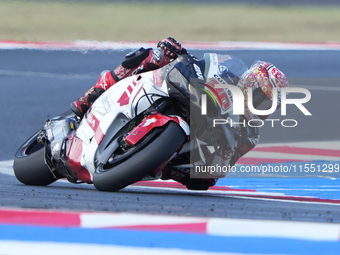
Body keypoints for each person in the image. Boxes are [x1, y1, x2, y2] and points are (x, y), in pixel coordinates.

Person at [71, 37, 289, 190]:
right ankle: (88, 98)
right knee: (154, 55)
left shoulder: (249, 134)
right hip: (183, 97)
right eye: (262, 99)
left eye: (269, 107)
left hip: (186, 150)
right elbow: (201, 64)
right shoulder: (226, 73)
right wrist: (178, 53)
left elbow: (222, 168)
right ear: (249, 84)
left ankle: (137, 160)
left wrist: (221, 153)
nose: (263, 109)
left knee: (203, 181)